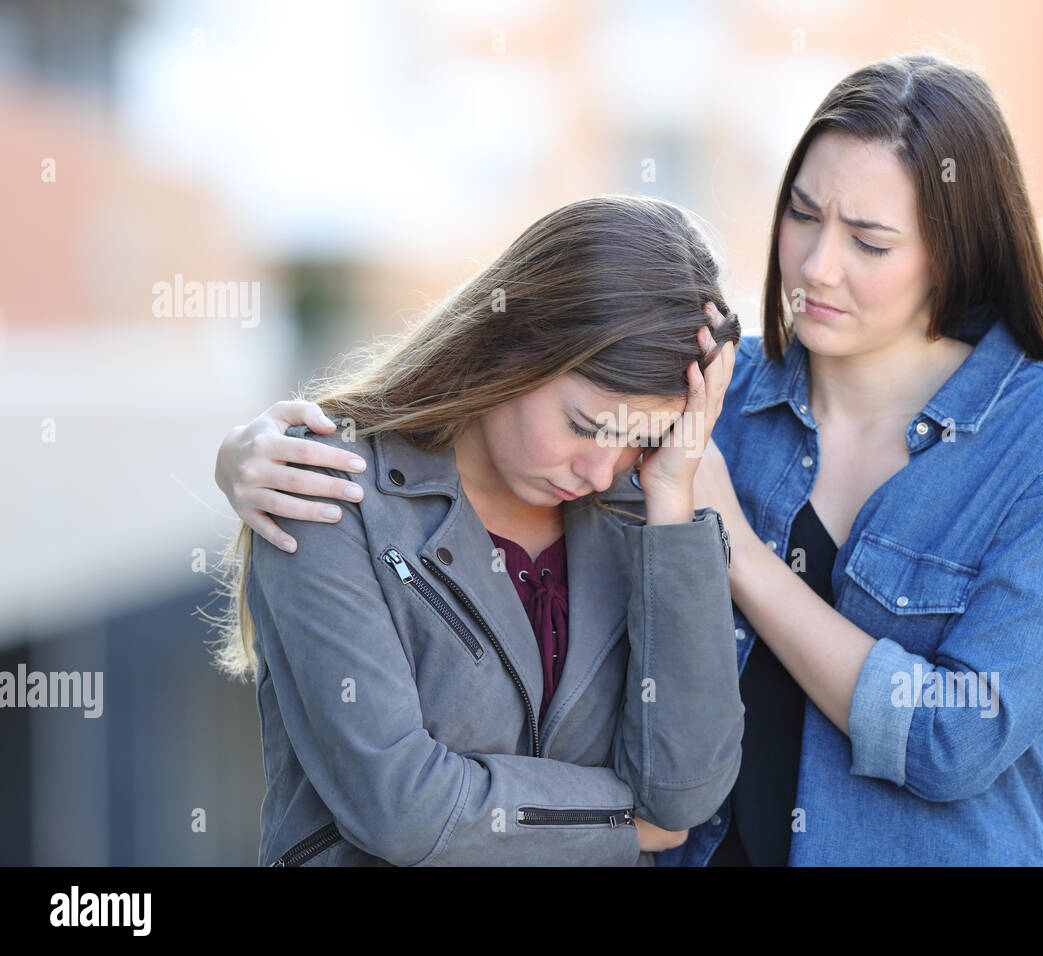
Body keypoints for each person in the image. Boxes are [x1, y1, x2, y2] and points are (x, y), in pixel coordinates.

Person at [216, 53, 1043, 866]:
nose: (816, 267)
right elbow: (506, 398)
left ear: (955, 256)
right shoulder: (711, 396)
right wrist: (251, 454)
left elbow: (954, 740)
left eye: (870, 243)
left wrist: (729, 544)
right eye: (802, 214)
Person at [209, 194, 744, 866]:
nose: (601, 470)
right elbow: (401, 808)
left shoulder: (635, 513)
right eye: (586, 426)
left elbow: (682, 796)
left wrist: (670, 501)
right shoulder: (326, 487)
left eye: (641, 440)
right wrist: (620, 820)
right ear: (510, 344)